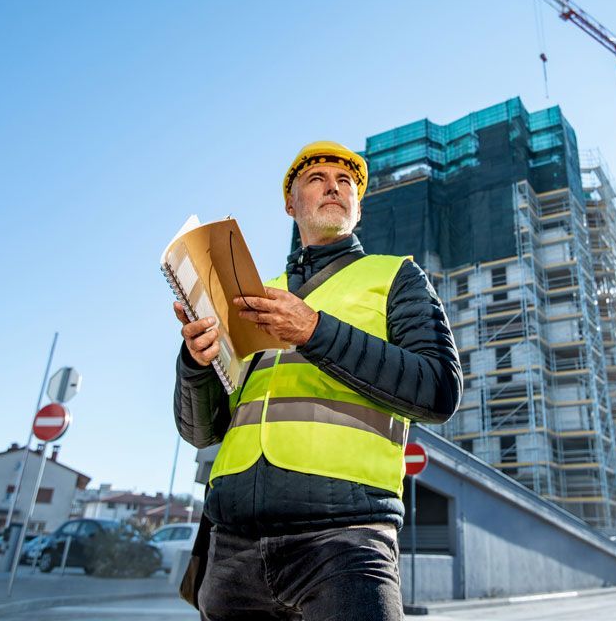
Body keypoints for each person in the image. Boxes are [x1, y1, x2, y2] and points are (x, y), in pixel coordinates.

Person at [172, 140, 462, 621]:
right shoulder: (254, 294)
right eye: (317, 179)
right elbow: (202, 431)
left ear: (357, 207)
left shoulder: (395, 277)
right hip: (232, 549)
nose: (334, 187)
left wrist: (314, 331)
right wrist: (195, 363)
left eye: (345, 182)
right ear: (291, 205)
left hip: (346, 543)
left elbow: (438, 390)